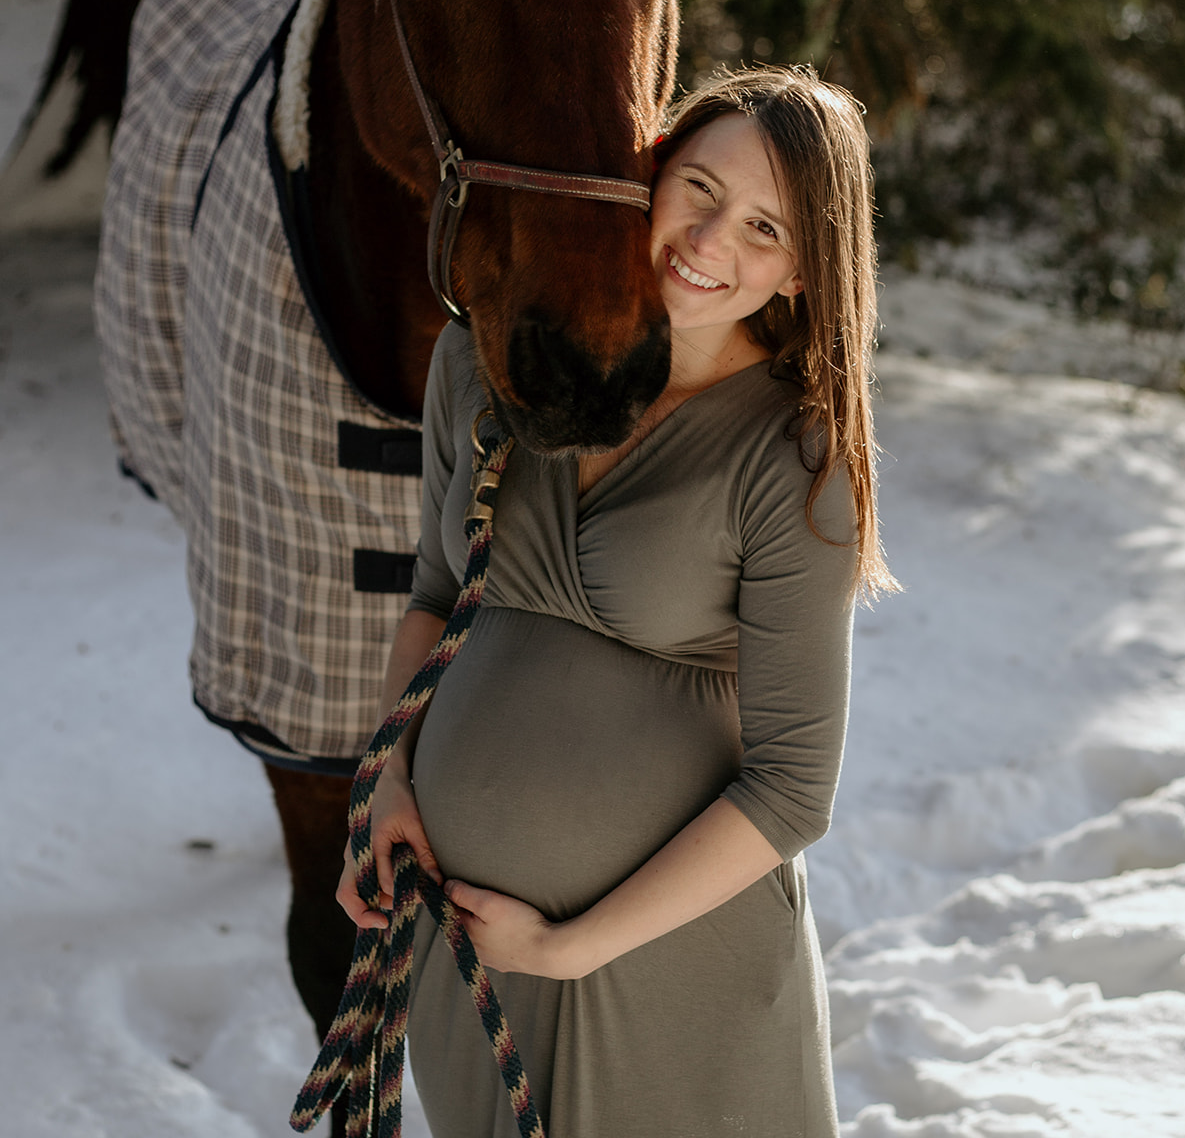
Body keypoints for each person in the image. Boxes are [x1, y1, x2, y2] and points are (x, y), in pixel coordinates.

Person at [338, 65, 896, 1138]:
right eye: (697, 187)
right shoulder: (488, 357)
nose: (709, 239)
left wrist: (567, 943)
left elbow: (790, 791)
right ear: (643, 173)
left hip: (666, 977)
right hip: (463, 947)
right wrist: (388, 784)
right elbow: (435, 592)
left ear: (799, 274)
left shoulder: (794, 458)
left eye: (764, 228)